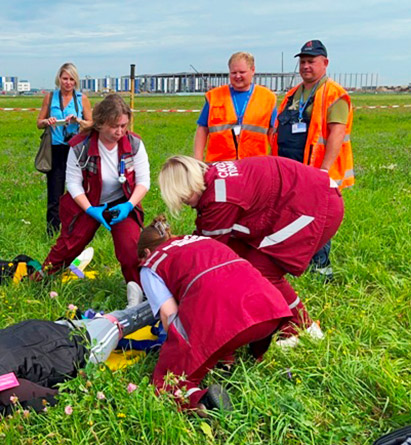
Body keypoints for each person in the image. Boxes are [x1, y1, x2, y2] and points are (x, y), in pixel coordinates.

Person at [158, 155, 344, 346]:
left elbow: (209, 252)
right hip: (311, 193)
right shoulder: (210, 175)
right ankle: (274, 318)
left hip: (316, 205)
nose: (186, 204)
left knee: (263, 271)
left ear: (189, 184)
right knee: (245, 263)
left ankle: (302, 328)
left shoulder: (220, 197)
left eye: (184, 197)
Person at [0, 302, 156, 424]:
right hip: (81, 345)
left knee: (114, 316)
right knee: (125, 320)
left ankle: (141, 297)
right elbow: (52, 399)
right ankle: (164, 297)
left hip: (55, 329)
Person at [138, 217, 291, 411]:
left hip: (221, 320)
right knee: (226, 322)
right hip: (269, 310)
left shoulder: (151, 264)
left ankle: (202, 401)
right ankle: (227, 358)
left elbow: (169, 315)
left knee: (166, 381)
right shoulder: (203, 240)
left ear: (146, 252)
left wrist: (177, 351)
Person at [39, 94, 150, 290]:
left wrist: (129, 206)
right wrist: (90, 210)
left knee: (130, 248)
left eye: (123, 126)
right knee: (69, 245)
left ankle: (138, 290)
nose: (120, 131)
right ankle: (40, 279)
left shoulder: (134, 144)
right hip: (88, 202)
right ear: (99, 124)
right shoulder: (79, 146)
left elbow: (143, 181)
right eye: (114, 126)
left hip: (122, 202)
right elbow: (73, 183)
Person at [272, 40, 354, 280]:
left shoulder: (334, 93)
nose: (306, 66)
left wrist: (324, 171)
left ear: (325, 63)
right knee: (293, 215)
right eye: (303, 62)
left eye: (311, 61)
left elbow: (337, 132)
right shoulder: (293, 94)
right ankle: (295, 263)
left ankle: (321, 269)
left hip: (317, 169)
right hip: (291, 167)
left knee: (318, 218)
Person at [36, 62, 92, 237]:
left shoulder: (82, 99)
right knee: (55, 193)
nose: (68, 83)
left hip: (76, 150)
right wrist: (47, 121)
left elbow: (92, 124)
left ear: (76, 81)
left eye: (71, 79)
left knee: (78, 191)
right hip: (55, 150)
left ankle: (76, 230)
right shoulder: (50, 97)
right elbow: (39, 123)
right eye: (65, 78)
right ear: (59, 79)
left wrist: (78, 121)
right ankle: (52, 232)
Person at [194, 52, 277, 163]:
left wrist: (273, 160)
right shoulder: (214, 96)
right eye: (233, 73)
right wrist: (197, 160)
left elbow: (274, 133)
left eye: (242, 72)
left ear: (253, 70)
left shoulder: (267, 98)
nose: (237, 76)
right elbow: (202, 129)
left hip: (254, 165)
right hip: (220, 165)